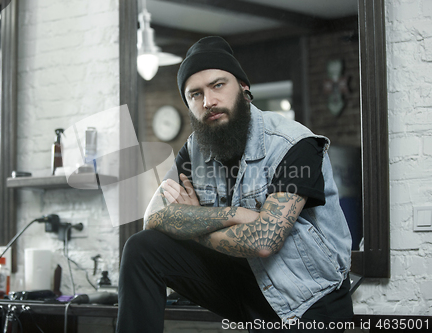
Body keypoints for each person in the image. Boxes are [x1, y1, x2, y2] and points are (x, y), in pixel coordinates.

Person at [116, 36, 353, 333]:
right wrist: (234, 215)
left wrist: (192, 226)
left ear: (243, 88)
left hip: (309, 301)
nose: (208, 101)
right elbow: (153, 218)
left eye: (218, 85)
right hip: (243, 287)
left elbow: (264, 241)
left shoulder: (294, 144)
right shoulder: (194, 150)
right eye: (195, 94)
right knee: (142, 248)